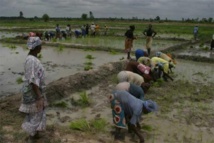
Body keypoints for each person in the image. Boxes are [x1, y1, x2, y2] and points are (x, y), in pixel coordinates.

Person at [19, 37, 47, 142]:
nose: (41, 47)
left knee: (36, 113)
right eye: (40, 46)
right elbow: (33, 79)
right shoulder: (32, 60)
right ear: (37, 47)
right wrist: (39, 96)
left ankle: (35, 134)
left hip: (34, 90)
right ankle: (31, 137)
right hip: (33, 92)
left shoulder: (31, 58)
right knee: (36, 113)